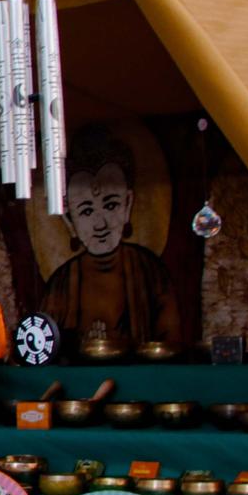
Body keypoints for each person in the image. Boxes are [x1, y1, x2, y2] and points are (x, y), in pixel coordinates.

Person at [40, 129, 182, 346]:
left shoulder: (151, 272)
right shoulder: (61, 284)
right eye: (86, 211)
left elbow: (171, 341)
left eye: (111, 205)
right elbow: (45, 346)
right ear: (69, 218)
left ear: (128, 203)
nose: (100, 224)